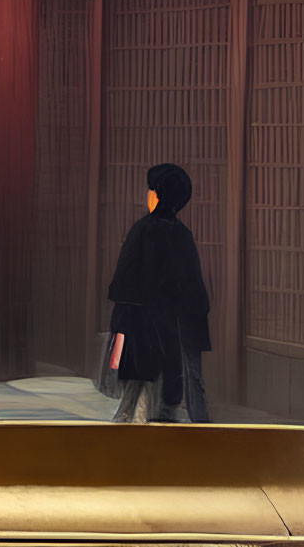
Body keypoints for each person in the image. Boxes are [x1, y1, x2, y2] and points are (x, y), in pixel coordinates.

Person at [106, 162, 212, 424]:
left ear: (157, 195)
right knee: (171, 394)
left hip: (143, 325)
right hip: (175, 328)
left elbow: (124, 281)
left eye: (151, 190)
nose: (148, 195)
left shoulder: (142, 231)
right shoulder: (182, 235)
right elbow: (195, 291)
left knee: (135, 395)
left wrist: (122, 318)